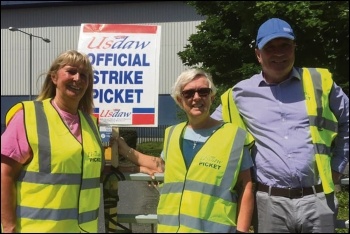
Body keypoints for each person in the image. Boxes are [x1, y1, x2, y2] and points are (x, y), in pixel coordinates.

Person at [0, 50, 162, 233]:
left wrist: (138, 169)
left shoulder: (91, 124)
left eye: (84, 75)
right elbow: (4, 174)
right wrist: (8, 226)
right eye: (71, 71)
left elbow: (91, 171)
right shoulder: (29, 116)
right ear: (54, 77)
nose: (78, 78)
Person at [212, 18, 349, 233]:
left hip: (319, 197)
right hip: (269, 203)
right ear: (258, 54)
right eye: (270, 47)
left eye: (285, 45)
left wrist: (337, 168)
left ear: (294, 47)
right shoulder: (238, 94)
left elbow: (347, 121)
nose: (279, 53)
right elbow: (209, 132)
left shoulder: (320, 81)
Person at [115, 68, 254, 233]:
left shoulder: (234, 136)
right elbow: (163, 167)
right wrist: (124, 149)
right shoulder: (172, 133)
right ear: (180, 100)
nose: (196, 97)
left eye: (203, 91)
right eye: (188, 93)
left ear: (212, 97)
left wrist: (242, 230)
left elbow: (247, 186)